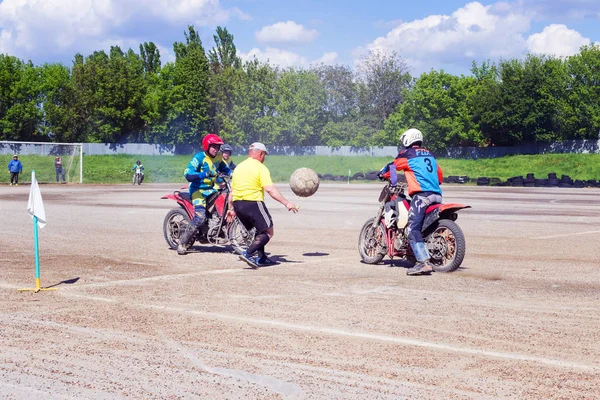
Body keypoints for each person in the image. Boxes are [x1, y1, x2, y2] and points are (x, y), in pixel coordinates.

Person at [378, 128, 443, 276]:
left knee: (412, 229)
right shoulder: (430, 155)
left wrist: (383, 174)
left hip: (421, 197)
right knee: (422, 227)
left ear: (408, 140)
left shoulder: (407, 154)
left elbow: (392, 167)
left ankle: (423, 263)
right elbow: (440, 177)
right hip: (437, 196)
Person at [227, 142, 298, 268]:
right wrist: (287, 203)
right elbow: (270, 189)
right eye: (264, 155)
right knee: (269, 231)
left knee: (260, 230)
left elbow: (232, 191)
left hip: (238, 205)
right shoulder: (260, 168)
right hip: (253, 203)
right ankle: (248, 254)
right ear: (260, 154)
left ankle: (262, 258)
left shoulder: (239, 167)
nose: (264, 157)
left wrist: (231, 208)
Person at [177, 134, 232, 255]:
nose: (216, 149)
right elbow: (188, 174)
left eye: (218, 147)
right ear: (207, 146)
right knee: (200, 217)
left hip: (211, 189)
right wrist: (204, 174)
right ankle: (182, 243)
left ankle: (216, 228)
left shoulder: (218, 157)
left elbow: (225, 168)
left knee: (223, 203)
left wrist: (232, 173)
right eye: (214, 147)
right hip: (198, 192)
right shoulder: (199, 157)